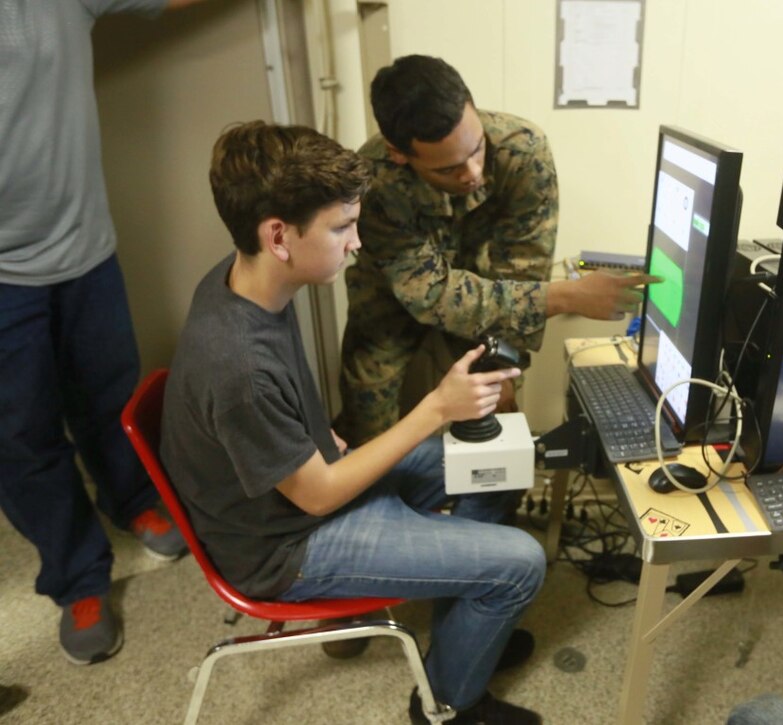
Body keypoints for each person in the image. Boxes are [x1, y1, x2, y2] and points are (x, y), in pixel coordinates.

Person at [161, 120, 546, 724]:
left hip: (310, 485)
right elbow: (316, 497)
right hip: (286, 546)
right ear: (279, 235)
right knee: (522, 563)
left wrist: (315, 434)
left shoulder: (244, 280)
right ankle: (447, 705)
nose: (356, 243)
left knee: (499, 468)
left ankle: (466, 640)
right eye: (341, 227)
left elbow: (283, 421)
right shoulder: (235, 364)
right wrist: (436, 409)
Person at [0, 0, 206, 666]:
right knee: (22, 434)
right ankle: (77, 576)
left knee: (110, 392)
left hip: (84, 247)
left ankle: (135, 499)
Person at [335, 54, 656, 445]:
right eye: (449, 168)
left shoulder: (522, 152)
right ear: (399, 153)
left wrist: (502, 361)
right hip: (390, 294)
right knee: (370, 420)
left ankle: (493, 507)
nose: (471, 173)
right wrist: (566, 295)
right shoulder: (376, 179)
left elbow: (523, 269)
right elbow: (432, 294)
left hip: (491, 287)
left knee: (495, 423)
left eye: (476, 150)